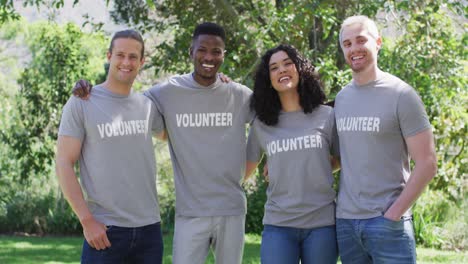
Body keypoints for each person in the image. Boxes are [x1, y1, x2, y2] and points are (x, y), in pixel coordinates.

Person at [73, 22, 252, 264]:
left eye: (216, 51)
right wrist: (87, 89)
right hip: (190, 212)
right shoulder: (164, 93)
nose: (208, 57)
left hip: (231, 209)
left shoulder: (238, 94)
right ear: (191, 52)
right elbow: (123, 102)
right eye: (202, 50)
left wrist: (257, 166)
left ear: (223, 55)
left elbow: (271, 121)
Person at [55, 29, 165, 263]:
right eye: (120, 55)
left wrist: (218, 83)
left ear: (142, 61)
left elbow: (179, 135)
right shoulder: (82, 102)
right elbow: (64, 162)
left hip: (149, 231)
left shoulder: (147, 105)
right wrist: (86, 221)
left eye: (133, 57)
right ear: (109, 56)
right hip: (105, 231)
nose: (126, 62)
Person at [334, 15, 437, 263]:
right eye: (347, 44)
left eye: (361, 40)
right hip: (347, 224)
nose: (354, 49)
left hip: (388, 224)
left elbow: (428, 163)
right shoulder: (342, 99)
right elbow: (340, 158)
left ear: (378, 42)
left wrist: (393, 214)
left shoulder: (401, 94)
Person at [244, 44, 339, 264]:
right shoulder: (261, 124)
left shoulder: (326, 116)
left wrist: (304, 163)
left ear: (300, 69)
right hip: (279, 224)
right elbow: (243, 171)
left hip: (322, 223)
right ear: (268, 79)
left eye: (288, 64)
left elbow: (341, 159)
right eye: (274, 67)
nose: (282, 70)